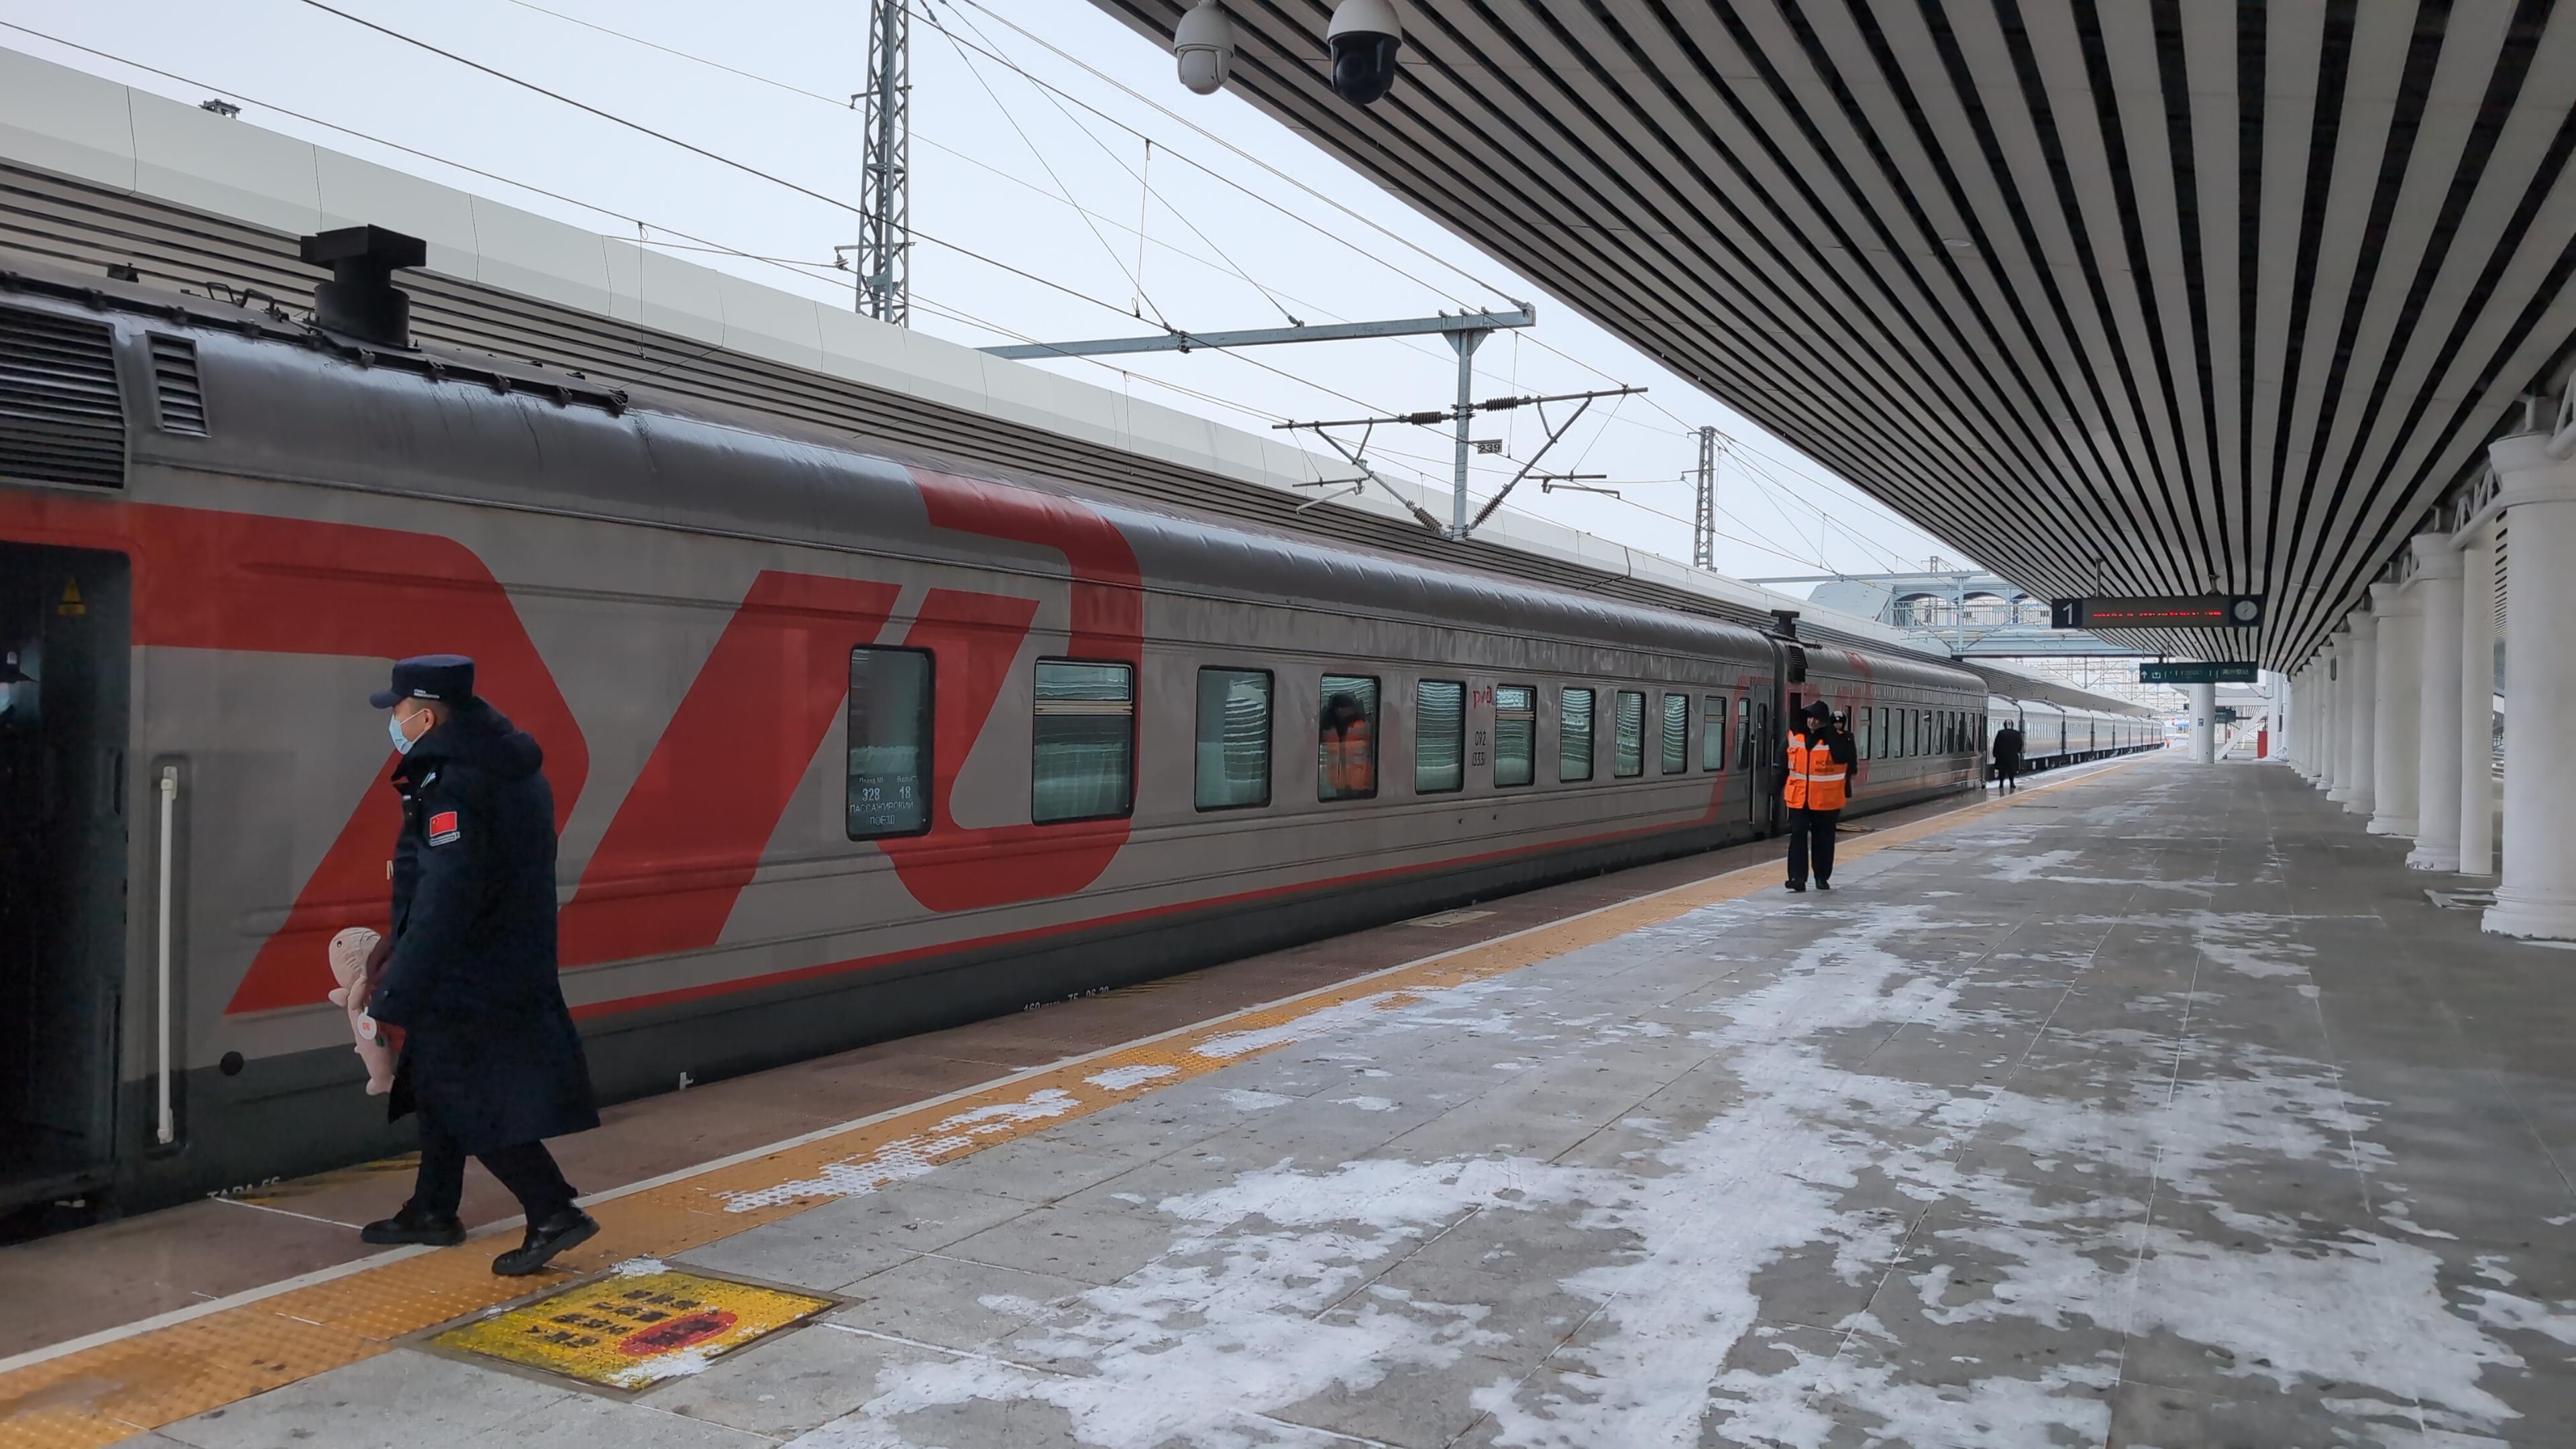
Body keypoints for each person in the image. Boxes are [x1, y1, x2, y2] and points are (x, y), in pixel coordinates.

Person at [356, 654, 601, 1276]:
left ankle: (553, 1210)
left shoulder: (456, 784)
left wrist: (397, 988)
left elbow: (447, 895)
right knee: (441, 1085)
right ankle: (432, 1209)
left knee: (468, 1094)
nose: (396, 720)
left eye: (401, 711)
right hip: (504, 955)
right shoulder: (505, 766)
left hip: (470, 966)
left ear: (429, 715)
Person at [1783, 700, 1853, 893]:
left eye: (1817, 719)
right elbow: (1783, 763)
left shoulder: (1838, 739)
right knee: (1797, 837)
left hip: (1826, 801)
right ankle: (1797, 878)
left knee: (1823, 839)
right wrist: (1775, 785)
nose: (1812, 721)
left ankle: (1822, 877)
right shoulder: (1794, 736)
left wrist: (1831, 733)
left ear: (1824, 721)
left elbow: (1846, 760)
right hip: (1799, 797)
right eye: (1810, 717)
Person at [1320, 691, 1375, 798]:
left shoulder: (1363, 725)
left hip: (1361, 783)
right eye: (1341, 708)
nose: (1344, 711)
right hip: (1337, 784)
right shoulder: (1327, 728)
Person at [1992, 718, 2025, 793]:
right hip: (2013, 756)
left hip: (2002, 756)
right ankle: (2012, 783)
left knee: (2002, 771)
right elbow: (2021, 744)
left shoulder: (2001, 733)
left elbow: (1996, 744)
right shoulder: (2017, 734)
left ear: (2004, 725)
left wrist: (1995, 753)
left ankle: (2001, 783)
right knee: (2012, 770)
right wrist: (2018, 751)